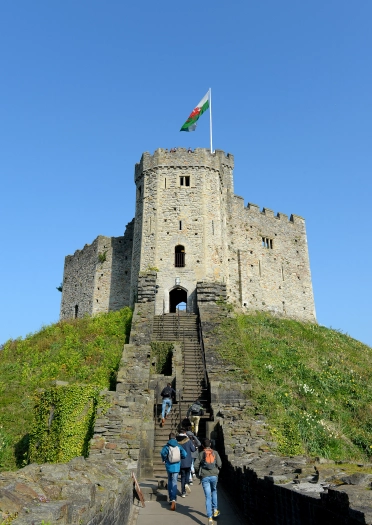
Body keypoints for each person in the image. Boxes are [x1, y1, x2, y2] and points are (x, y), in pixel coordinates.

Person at [194, 439, 222, 525]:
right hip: (214, 475)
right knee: (214, 491)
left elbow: (195, 465)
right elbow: (220, 464)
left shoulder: (201, 454)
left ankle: (209, 517)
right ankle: (215, 510)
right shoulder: (215, 453)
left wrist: (199, 473)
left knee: (207, 496)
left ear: (202, 445)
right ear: (210, 444)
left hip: (205, 476)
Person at [160, 432, 187, 511]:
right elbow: (185, 454)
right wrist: (179, 457)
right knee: (175, 482)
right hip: (176, 466)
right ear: (175, 438)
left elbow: (162, 453)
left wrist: (164, 459)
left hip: (169, 465)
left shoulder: (167, 446)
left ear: (169, 438)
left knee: (170, 480)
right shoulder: (178, 446)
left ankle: (171, 498)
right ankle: (174, 499)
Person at [176, 428, 195, 497]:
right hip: (188, 460)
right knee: (187, 473)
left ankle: (183, 492)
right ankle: (187, 483)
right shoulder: (188, 440)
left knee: (182, 476)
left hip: (180, 460)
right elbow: (193, 449)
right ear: (184, 433)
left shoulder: (176, 440)